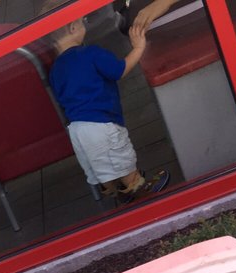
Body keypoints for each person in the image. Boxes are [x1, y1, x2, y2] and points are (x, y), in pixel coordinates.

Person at [42, 2, 170, 203]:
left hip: (77, 130)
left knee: (100, 165)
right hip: (101, 124)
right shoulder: (90, 53)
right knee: (122, 159)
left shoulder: (55, 70)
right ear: (73, 28)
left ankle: (118, 191)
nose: (84, 25)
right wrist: (138, 47)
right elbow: (119, 70)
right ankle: (139, 189)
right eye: (83, 21)